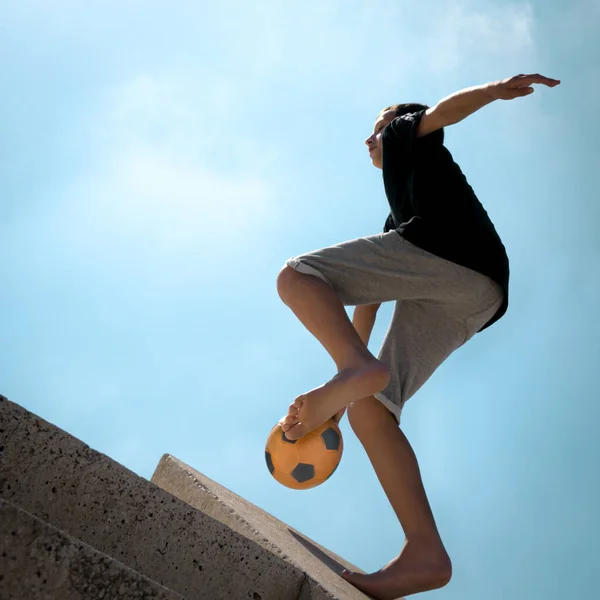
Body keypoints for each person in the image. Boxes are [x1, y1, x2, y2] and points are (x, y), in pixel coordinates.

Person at [276, 73, 560, 599]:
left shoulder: (410, 135)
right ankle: (425, 552)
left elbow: (443, 113)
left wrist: (494, 90)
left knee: (296, 276)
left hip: (449, 254)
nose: (370, 138)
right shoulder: (402, 213)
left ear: (398, 125)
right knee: (372, 409)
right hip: (478, 292)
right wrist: (344, 392)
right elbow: (370, 302)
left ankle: (356, 376)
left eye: (376, 127)